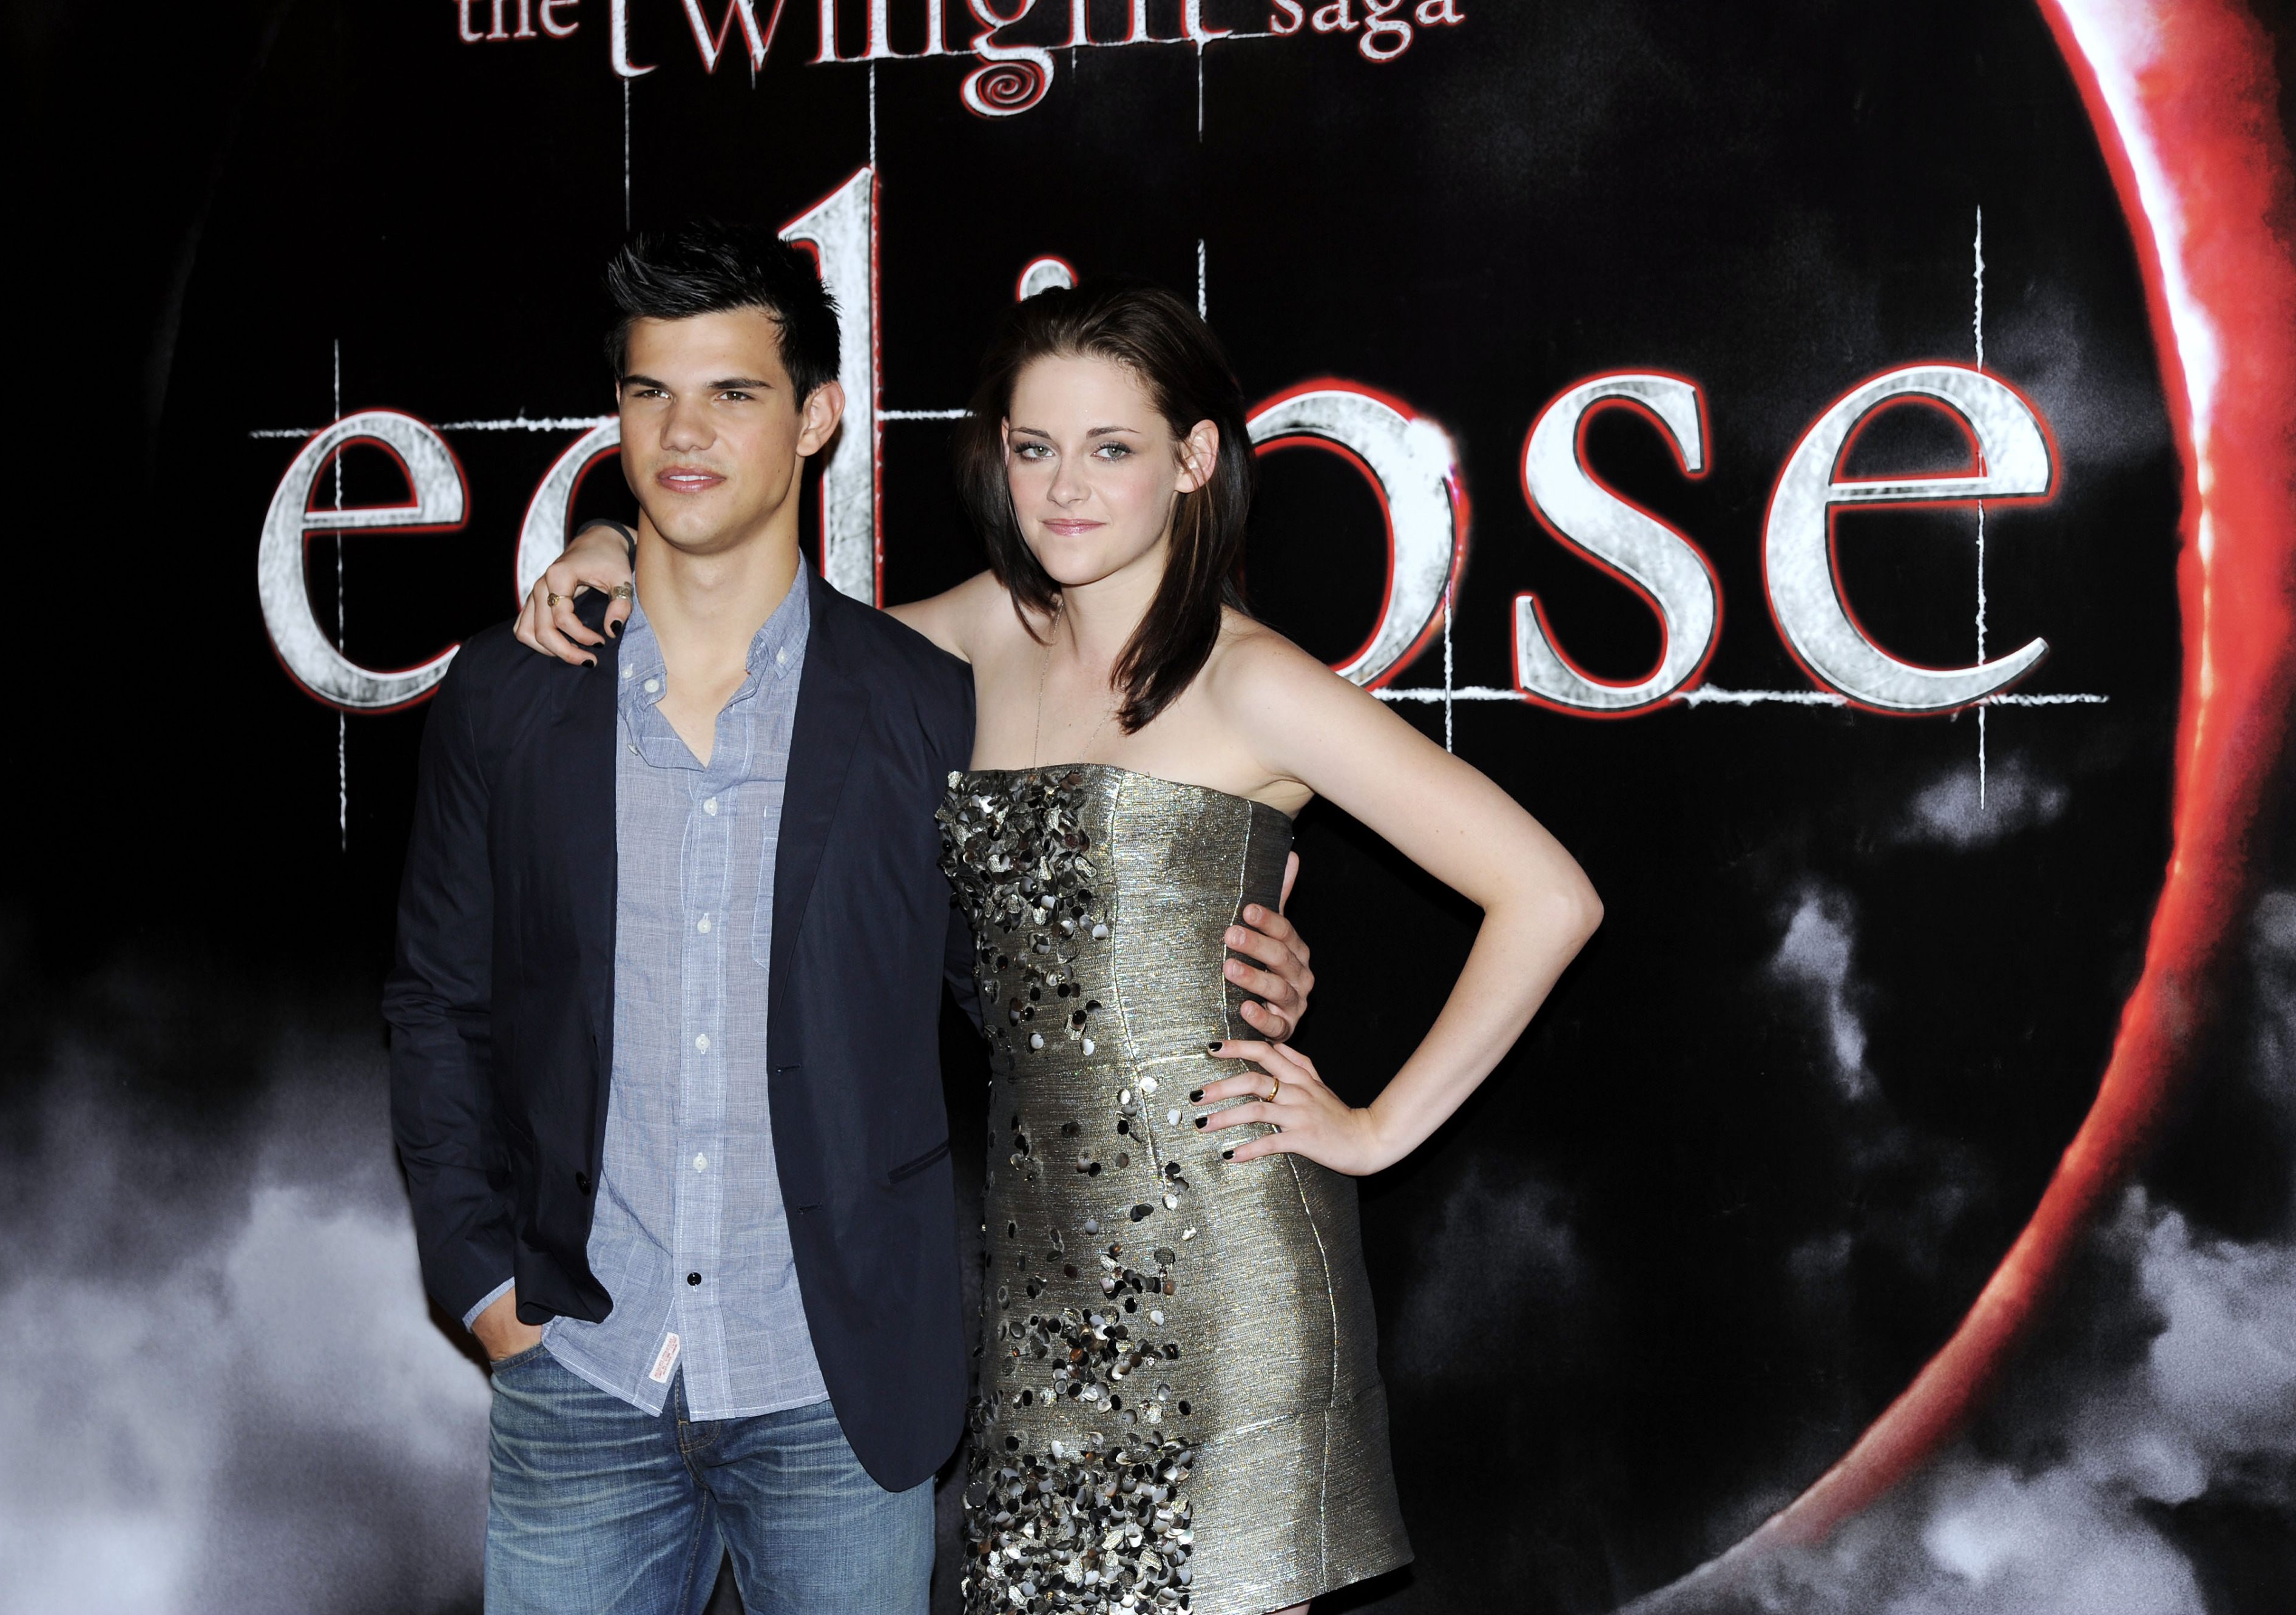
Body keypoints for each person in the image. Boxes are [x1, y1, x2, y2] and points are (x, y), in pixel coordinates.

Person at [529, 277, 1602, 1615]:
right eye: (1035, 448)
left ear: (1193, 458)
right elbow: (744, 628)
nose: (1065, 488)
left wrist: (1378, 1128)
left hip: (1220, 1269)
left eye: (1110, 448)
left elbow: (1547, 895)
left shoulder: (1253, 681)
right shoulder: (973, 635)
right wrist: (612, 541)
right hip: (1037, 1280)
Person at [387, 228, 1319, 1615]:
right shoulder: (508, 695)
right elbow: (436, 1000)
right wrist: (482, 1287)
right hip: (577, 1376)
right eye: (650, 392)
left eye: (733, 392)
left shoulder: (921, 698)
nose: (684, 433)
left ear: (816, 416)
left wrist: (1206, 970)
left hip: (838, 1396)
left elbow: (1024, 981)